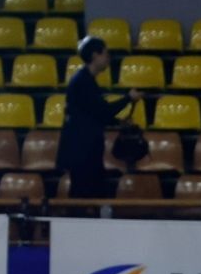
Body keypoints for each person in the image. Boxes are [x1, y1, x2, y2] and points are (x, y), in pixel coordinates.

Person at [58, 38, 142, 200]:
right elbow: (103, 111)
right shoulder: (83, 82)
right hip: (82, 150)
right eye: (105, 54)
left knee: (90, 192)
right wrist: (128, 98)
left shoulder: (85, 80)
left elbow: (94, 113)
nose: (108, 58)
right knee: (83, 194)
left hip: (85, 148)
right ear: (95, 55)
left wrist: (119, 122)